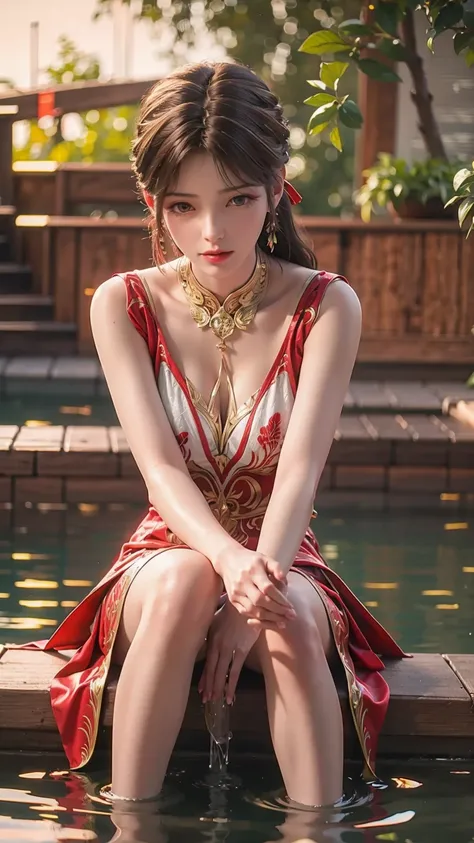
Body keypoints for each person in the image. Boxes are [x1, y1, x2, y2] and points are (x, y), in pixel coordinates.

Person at [18, 59, 405, 809]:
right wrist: (226, 568)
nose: (211, 231)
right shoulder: (123, 302)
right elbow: (161, 473)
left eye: (236, 199)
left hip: (285, 554)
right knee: (182, 583)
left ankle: (314, 828)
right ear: (151, 201)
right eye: (183, 205)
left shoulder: (327, 306)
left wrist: (251, 591)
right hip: (171, 554)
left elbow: (298, 474)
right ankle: (132, 825)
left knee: (286, 613)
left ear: (277, 185)